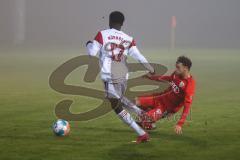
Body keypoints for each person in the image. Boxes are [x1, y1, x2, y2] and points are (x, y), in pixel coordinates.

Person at [86, 11, 155, 143]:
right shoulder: (129, 38)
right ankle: (143, 115)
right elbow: (139, 56)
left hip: (110, 75)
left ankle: (142, 133)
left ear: (110, 21)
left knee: (116, 106)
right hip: (123, 75)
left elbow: (92, 53)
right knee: (119, 99)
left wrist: (88, 44)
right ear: (122, 23)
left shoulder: (102, 34)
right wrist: (150, 68)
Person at [136, 56, 195, 134]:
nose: (176, 69)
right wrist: (151, 77)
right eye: (176, 67)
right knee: (135, 101)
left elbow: (187, 105)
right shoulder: (176, 74)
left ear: (185, 68)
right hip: (158, 98)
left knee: (144, 118)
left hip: (165, 108)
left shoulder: (189, 85)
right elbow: (168, 78)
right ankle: (148, 118)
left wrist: (179, 123)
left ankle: (148, 121)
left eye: (178, 67)